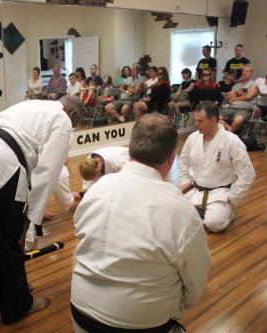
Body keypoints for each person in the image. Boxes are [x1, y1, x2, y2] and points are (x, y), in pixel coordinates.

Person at [71, 114, 212, 333]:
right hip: (142, 324)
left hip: (80, 314)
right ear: (171, 158)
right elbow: (195, 279)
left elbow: (81, 231)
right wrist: (174, 310)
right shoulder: (180, 209)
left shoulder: (96, 189)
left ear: (130, 148)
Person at [0, 96, 83, 325]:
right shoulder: (62, 119)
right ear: (72, 114)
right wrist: (28, 220)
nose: (71, 130)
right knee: (9, 240)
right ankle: (16, 304)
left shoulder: (33, 104)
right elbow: (47, 173)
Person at [179, 102, 256, 232]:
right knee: (176, 216)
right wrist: (185, 181)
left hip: (220, 192)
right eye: (195, 120)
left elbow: (248, 174)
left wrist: (233, 197)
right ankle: (199, 211)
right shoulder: (193, 137)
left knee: (213, 223)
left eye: (200, 121)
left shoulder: (232, 141)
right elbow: (184, 161)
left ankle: (227, 211)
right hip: (195, 189)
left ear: (213, 120)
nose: (196, 124)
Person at [220, 64, 258, 133]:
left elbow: (248, 97)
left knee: (237, 121)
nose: (244, 73)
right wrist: (243, 93)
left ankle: (230, 134)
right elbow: (229, 97)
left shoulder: (254, 84)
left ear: (251, 73)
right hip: (230, 108)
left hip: (244, 110)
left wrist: (234, 98)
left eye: (247, 71)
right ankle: (230, 131)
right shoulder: (236, 85)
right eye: (243, 71)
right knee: (213, 118)